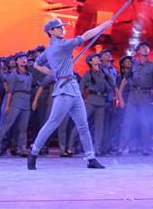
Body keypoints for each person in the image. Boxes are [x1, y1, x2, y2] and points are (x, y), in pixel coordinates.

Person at [27, 18, 113, 170]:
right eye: (58, 28)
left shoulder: (49, 49)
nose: (62, 29)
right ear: (51, 32)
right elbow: (85, 36)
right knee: (53, 122)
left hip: (72, 88)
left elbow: (36, 64)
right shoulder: (60, 45)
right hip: (64, 90)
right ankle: (33, 152)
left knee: (83, 125)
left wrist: (54, 73)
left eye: (62, 27)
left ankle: (91, 158)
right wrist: (102, 27)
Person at [67, 53, 124, 156]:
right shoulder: (88, 73)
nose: (97, 59)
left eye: (97, 57)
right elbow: (80, 88)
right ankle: (70, 146)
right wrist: (78, 102)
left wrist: (120, 99)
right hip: (91, 101)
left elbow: (114, 86)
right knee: (81, 123)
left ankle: (97, 149)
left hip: (101, 102)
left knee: (99, 127)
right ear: (90, 62)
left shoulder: (104, 73)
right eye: (95, 58)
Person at [116, 41, 153, 156]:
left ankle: (144, 148)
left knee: (145, 123)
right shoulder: (134, 65)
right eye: (143, 47)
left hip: (145, 96)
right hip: (133, 96)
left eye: (147, 47)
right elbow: (125, 79)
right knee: (127, 122)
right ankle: (121, 147)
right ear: (139, 51)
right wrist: (119, 94)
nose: (146, 49)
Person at [0, 52, 33, 157]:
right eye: (20, 58)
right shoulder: (14, 74)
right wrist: (7, 105)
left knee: (23, 127)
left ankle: (23, 149)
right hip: (16, 100)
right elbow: (10, 91)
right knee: (6, 124)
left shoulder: (29, 74)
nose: (24, 60)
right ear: (16, 61)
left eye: (25, 58)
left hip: (26, 101)